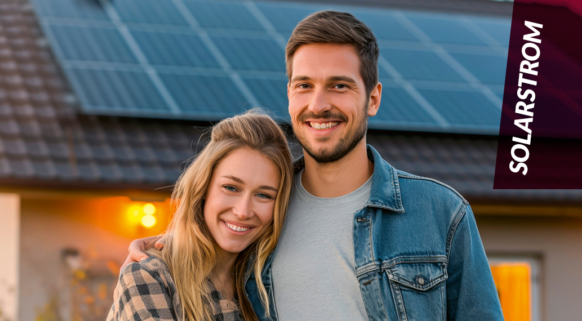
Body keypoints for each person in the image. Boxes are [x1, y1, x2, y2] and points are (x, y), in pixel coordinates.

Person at [124, 11, 504, 321]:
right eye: (304, 85)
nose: (318, 104)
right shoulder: (265, 209)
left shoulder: (440, 213)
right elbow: (211, 243)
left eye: (339, 86)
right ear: (289, 94)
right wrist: (162, 249)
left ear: (373, 98)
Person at [107, 110, 294, 321]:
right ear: (203, 188)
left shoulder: (271, 291)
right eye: (230, 188)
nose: (243, 212)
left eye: (263, 195)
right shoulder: (151, 278)